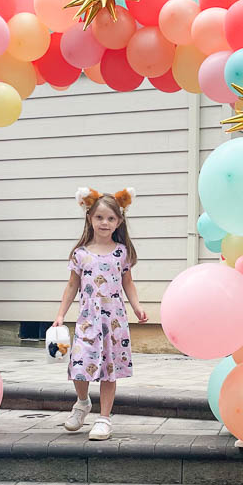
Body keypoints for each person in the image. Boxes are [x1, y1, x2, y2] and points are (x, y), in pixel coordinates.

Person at [52, 187, 148, 440]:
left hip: (114, 320)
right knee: (80, 363)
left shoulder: (121, 252)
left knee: (109, 367)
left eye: (111, 218)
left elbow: (128, 282)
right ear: (89, 218)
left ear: (119, 221)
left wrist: (137, 307)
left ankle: (104, 418)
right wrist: (61, 314)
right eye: (99, 217)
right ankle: (82, 403)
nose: (105, 223)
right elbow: (72, 285)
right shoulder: (80, 254)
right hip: (87, 319)